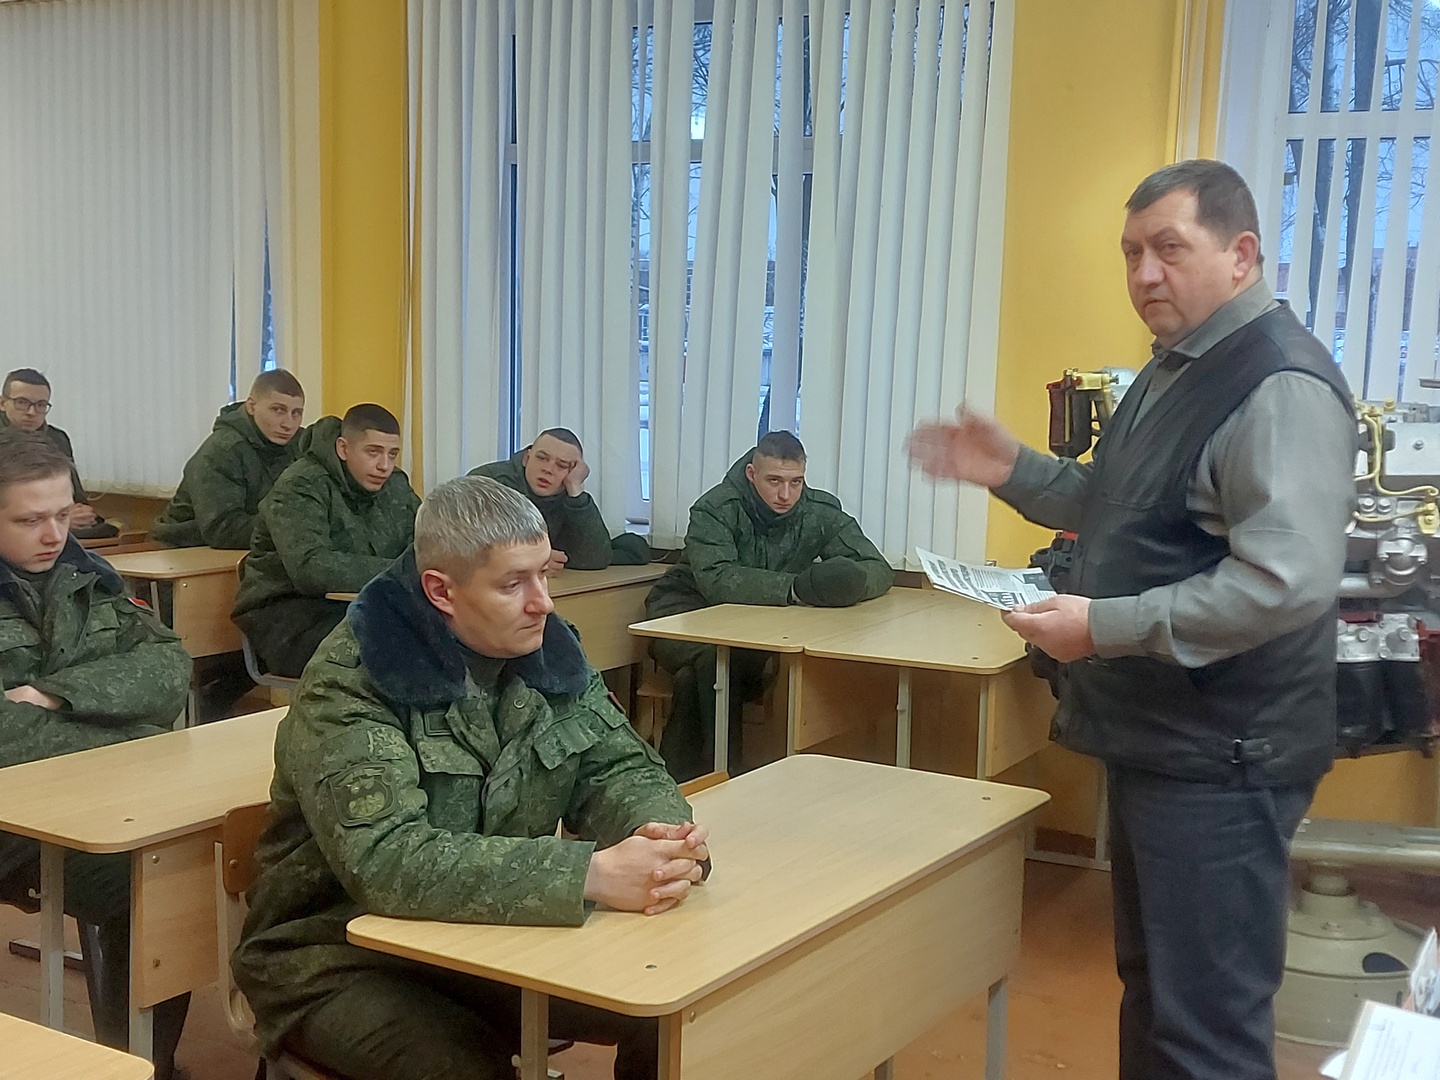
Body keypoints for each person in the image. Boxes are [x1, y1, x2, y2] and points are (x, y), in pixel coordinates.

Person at [907, 160, 1356, 1080]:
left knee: (1205, 1030)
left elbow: (1283, 585)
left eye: (1169, 248)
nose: (1145, 273)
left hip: (1227, 754)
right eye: (1131, 253)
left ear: (1241, 254)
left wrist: (1102, 626)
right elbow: (1122, 504)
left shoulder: (1277, 385)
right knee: (1156, 994)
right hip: (1168, 741)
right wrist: (1013, 469)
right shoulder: (1174, 367)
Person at [232, 475, 707, 1080]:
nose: (543, 602)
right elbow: (388, 861)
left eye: (544, 574)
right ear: (441, 590)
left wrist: (660, 837)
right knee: (462, 1068)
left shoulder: (547, 649)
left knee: (670, 1011)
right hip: (335, 954)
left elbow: (617, 765)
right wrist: (590, 873)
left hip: (485, 936)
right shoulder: (354, 681)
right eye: (514, 583)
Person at [0, 437, 193, 1079]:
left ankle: (142, 1060)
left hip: (93, 802)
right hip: (12, 822)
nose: (53, 534)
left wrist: (56, 694)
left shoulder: (87, 577)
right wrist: (129, 737)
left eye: (63, 514)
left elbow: (169, 667)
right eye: (29, 519)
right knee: (141, 879)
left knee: (177, 873)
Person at [644, 430, 893, 780]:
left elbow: (877, 567)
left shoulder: (818, 511)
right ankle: (726, 773)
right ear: (752, 473)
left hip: (758, 625)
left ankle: (683, 780)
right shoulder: (716, 509)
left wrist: (846, 585)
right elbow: (718, 581)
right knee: (715, 662)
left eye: (796, 482)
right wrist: (797, 589)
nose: (786, 494)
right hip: (684, 612)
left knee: (701, 676)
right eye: (774, 481)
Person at [232, 403, 420, 678]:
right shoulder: (301, 485)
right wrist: (404, 573)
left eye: (392, 454)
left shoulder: (395, 485)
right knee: (404, 650)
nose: (384, 465)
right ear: (343, 448)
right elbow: (311, 568)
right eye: (373, 452)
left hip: (365, 606)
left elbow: (425, 546)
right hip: (291, 619)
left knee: (454, 633)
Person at [151, 369, 307, 549]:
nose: (288, 424)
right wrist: (296, 528)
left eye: (296, 413)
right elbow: (223, 530)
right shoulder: (221, 451)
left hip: (244, 549)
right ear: (251, 407)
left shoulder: (300, 445)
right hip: (181, 548)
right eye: (278, 410)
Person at [470, 427, 648, 570]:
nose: (548, 469)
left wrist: (576, 491)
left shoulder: (568, 495)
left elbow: (595, 559)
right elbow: (463, 544)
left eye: (562, 465)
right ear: (526, 458)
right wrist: (530, 558)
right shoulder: (487, 483)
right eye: (541, 458)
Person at [0, 368, 112, 538]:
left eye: (40, 405)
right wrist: (58, 518)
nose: (31, 412)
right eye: (22, 402)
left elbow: (76, 497)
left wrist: (77, 513)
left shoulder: (57, 439)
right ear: (3, 403)